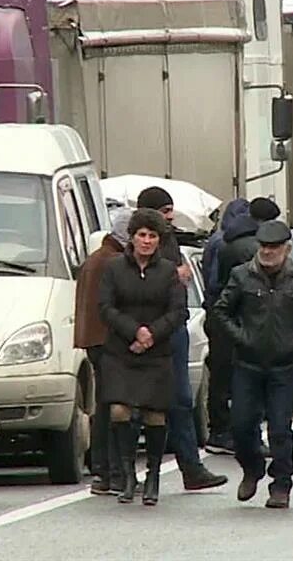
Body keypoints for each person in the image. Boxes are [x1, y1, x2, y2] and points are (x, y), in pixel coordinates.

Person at [211, 220, 293, 509]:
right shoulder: (241, 276)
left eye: (274, 247)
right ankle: (252, 468)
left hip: (284, 366)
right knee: (241, 424)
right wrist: (241, 337)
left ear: (286, 249)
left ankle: (281, 484)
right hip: (247, 363)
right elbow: (222, 310)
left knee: (280, 429)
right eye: (263, 246)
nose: (268, 252)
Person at [134, 188, 227, 491]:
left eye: (170, 211)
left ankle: (190, 467)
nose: (169, 217)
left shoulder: (170, 238)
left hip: (174, 329)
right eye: (163, 211)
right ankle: (126, 472)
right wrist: (175, 275)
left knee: (181, 400)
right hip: (145, 334)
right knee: (137, 403)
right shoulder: (138, 247)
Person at [97, 209, 188, 506]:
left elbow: (178, 311)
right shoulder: (113, 269)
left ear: (159, 240)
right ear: (132, 238)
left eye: (152, 236)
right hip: (121, 351)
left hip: (157, 352)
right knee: (119, 410)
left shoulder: (168, 271)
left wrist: (151, 335)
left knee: (154, 414)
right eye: (141, 235)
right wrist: (134, 331)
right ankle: (127, 475)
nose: (146, 241)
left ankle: (153, 475)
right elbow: (106, 307)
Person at [205, 196, 279, 454]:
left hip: (220, 316)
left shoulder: (223, 241)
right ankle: (242, 436)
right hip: (241, 319)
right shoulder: (251, 248)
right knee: (247, 379)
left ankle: (221, 431)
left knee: (223, 377)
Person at [75, 208, 131, 495]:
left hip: (93, 339)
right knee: (113, 406)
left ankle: (103, 472)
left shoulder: (95, 258)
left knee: (105, 403)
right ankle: (108, 472)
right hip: (108, 341)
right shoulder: (113, 261)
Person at [201, 198, 250, 308]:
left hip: (213, 302)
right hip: (221, 303)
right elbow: (215, 281)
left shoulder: (216, 238)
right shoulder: (226, 242)